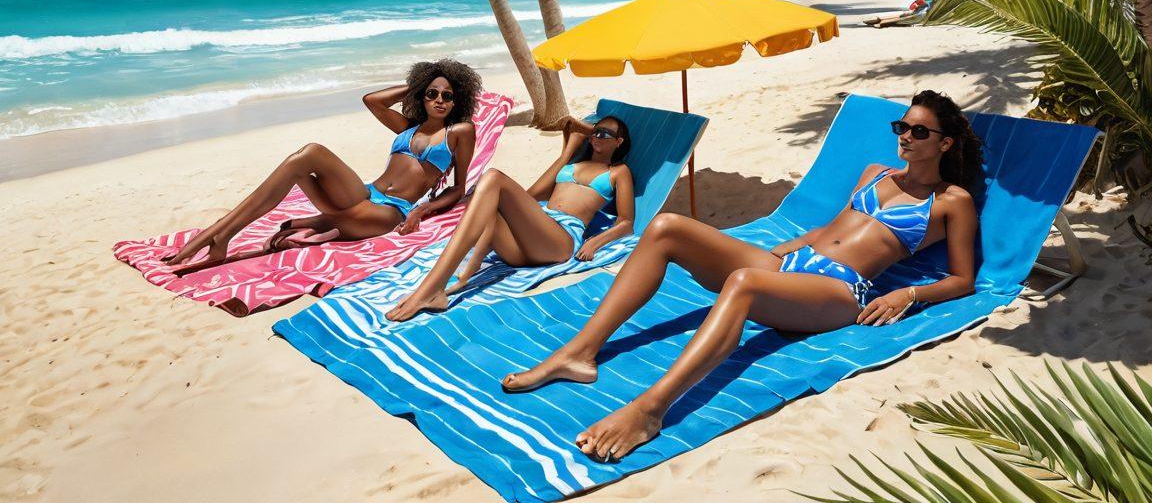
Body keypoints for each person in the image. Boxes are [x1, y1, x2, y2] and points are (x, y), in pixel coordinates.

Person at [503, 90, 982, 462]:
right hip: (792, 265)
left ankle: (650, 410)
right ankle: (579, 353)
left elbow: (963, 279)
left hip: (838, 292)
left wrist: (909, 293)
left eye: (919, 132)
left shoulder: (951, 201)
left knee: (742, 284)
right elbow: (840, 225)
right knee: (669, 227)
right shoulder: (876, 172)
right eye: (903, 125)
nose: (905, 136)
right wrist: (795, 243)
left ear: (944, 142)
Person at [163, 60, 480, 269]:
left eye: (447, 95)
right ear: (422, 96)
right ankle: (221, 235)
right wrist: (416, 86)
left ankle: (315, 225)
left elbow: (459, 189)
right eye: (432, 93)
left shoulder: (459, 132)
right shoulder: (407, 127)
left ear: (457, 101)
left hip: (388, 212)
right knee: (305, 157)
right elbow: (372, 100)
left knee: (318, 165)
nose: (439, 100)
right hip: (362, 195)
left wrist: (420, 211)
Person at [385, 114, 636, 322]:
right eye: (595, 132)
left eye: (605, 134)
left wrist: (595, 241)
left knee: (493, 177)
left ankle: (431, 287)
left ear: (619, 142)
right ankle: (461, 277)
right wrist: (565, 154)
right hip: (529, 243)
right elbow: (532, 195)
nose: (596, 136)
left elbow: (626, 222)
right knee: (489, 208)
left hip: (561, 240)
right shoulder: (570, 166)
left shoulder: (618, 171)